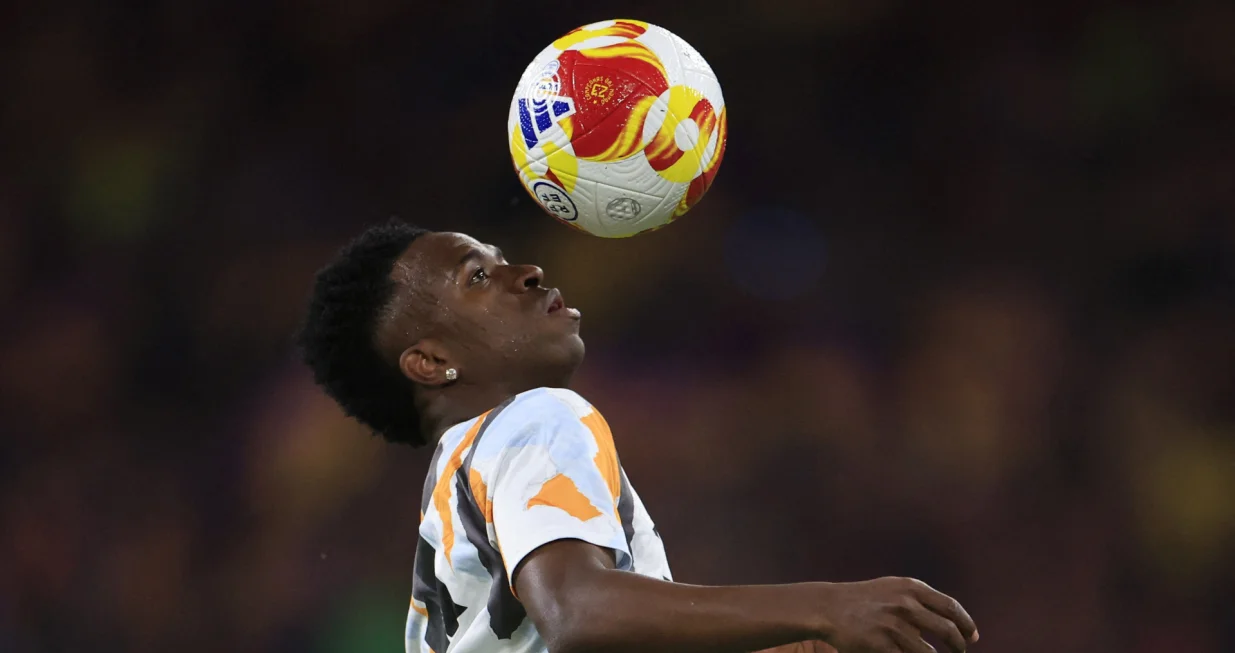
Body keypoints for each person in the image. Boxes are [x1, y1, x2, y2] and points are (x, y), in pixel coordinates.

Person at [296, 219, 980, 653]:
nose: (525, 272)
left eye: (500, 258)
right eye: (478, 276)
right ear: (430, 361)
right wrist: (823, 605)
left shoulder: (459, 475)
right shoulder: (539, 417)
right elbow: (576, 610)